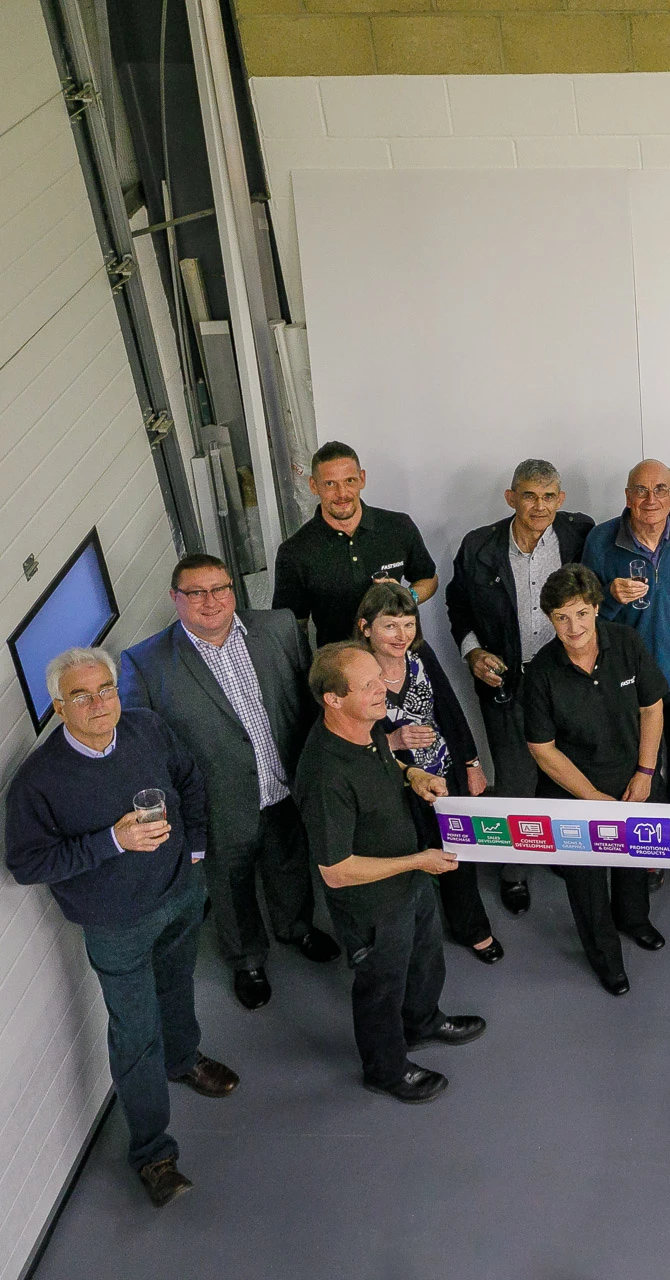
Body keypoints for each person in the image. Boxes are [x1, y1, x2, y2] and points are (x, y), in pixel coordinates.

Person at [6, 648, 236, 1207]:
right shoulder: (38, 782)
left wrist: (198, 847)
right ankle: (154, 1153)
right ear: (59, 707)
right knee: (134, 1035)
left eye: (105, 688)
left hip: (180, 891)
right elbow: (28, 863)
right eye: (81, 696)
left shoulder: (146, 728)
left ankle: (184, 1059)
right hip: (116, 923)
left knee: (178, 985)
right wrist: (112, 841)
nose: (98, 703)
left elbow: (190, 778)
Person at [120, 553, 338, 1012]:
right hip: (217, 804)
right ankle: (248, 960)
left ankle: (296, 927)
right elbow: (144, 749)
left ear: (233, 590)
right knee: (230, 883)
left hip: (284, 783)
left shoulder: (278, 627)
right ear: (175, 598)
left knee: (288, 861)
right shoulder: (145, 663)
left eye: (219, 588)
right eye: (195, 593)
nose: (210, 601)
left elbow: (309, 700)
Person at [296, 643, 484, 1105]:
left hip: (411, 881)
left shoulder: (369, 727)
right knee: (381, 987)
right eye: (369, 686)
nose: (384, 690)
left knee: (424, 959)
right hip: (372, 905)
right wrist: (418, 861)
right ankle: (386, 1068)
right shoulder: (325, 774)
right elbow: (336, 871)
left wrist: (412, 775)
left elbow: (386, 763)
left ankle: (422, 1023)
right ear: (333, 700)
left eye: (379, 678)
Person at [445, 458, 596, 915]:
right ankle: (514, 871)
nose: (539, 505)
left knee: (567, 771)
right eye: (529, 495)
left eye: (549, 496)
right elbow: (458, 607)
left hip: (564, 678)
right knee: (515, 779)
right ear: (511, 498)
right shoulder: (478, 546)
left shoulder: (579, 535)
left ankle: (562, 853)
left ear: (561, 500)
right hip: (505, 681)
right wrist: (473, 653)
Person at [521, 566, 669, 995]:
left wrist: (644, 774)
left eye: (582, 614)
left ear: (597, 609)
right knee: (586, 882)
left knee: (635, 857)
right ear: (550, 619)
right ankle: (606, 958)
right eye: (562, 617)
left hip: (632, 777)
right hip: (574, 792)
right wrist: (590, 797)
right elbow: (541, 748)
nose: (574, 627)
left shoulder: (626, 643)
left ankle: (634, 920)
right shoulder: (542, 671)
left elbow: (652, 708)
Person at [356, 584, 499, 965]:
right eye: (390, 626)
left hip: (443, 776)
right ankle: (408, 945)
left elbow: (450, 709)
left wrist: (471, 763)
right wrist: (394, 739)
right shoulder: (353, 669)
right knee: (405, 867)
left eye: (408, 624)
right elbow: (347, 740)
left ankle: (473, 928)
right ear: (366, 627)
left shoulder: (419, 654)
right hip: (393, 788)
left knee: (455, 855)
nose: (401, 636)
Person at [583, 459, 670, 811]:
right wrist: (609, 596)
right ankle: (650, 843)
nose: (651, 499)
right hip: (628, 675)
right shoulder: (601, 539)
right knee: (639, 765)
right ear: (628, 496)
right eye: (641, 490)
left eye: (660, 489)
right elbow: (581, 612)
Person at [273, 441, 437, 645]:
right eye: (330, 484)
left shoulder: (398, 527)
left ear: (362, 479)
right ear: (314, 486)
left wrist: (407, 595)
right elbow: (292, 628)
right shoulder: (294, 551)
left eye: (349, 480)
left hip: (402, 656)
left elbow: (429, 579)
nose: (342, 493)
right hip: (341, 668)